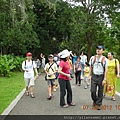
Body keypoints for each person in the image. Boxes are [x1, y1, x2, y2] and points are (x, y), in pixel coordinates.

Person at [88, 45, 108, 110]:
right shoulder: (92, 58)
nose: (98, 50)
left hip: (101, 76)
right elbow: (90, 67)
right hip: (94, 76)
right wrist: (89, 75)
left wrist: (105, 79)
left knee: (100, 91)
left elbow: (106, 70)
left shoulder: (105, 59)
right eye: (97, 49)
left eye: (99, 49)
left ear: (103, 51)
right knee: (92, 91)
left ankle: (99, 104)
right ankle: (95, 100)